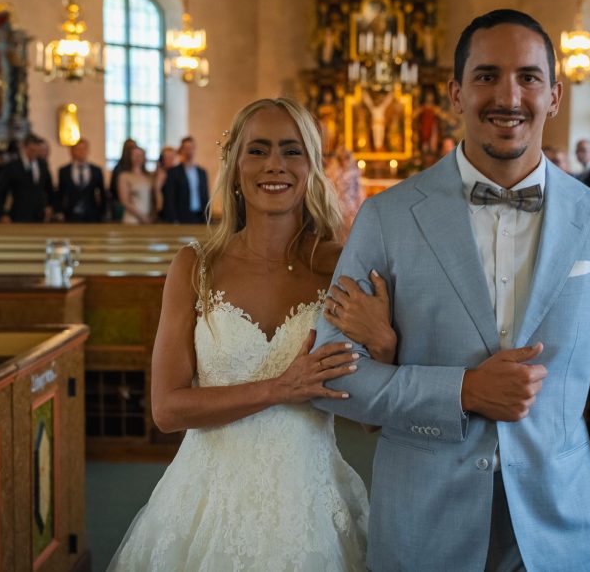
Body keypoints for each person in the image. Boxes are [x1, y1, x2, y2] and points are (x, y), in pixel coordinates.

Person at [314, 9, 590, 572]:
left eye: (528, 77)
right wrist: (463, 391)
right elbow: (330, 375)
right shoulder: (388, 217)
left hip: (559, 527)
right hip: (423, 526)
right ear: (455, 93)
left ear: (553, 96)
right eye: (486, 76)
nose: (508, 96)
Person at [108, 97, 386, 570]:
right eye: (257, 150)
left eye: (291, 150)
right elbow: (167, 409)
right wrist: (280, 387)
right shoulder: (194, 267)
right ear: (235, 164)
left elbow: (373, 422)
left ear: (312, 165)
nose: (274, 164)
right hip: (204, 503)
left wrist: (383, 344)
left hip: (309, 503)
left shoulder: (342, 267)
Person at [0, 134, 55, 222]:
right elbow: (0, 192)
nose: (34, 153)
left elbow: (50, 189)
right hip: (18, 215)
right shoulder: (12, 167)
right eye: (31, 150)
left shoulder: (42, 166)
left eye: (36, 151)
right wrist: (2, 214)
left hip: (39, 216)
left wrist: (50, 206)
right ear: (24, 148)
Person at [162, 136, 210, 223]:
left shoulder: (202, 172)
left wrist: (207, 217)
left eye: (191, 148)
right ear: (182, 150)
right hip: (181, 218)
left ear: (195, 149)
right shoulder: (173, 172)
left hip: (200, 217)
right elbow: (170, 198)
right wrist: (173, 219)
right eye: (186, 148)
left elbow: (206, 196)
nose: (189, 151)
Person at [57, 138, 106, 222]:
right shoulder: (64, 171)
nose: (81, 152)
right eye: (78, 149)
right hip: (71, 213)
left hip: (92, 213)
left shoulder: (96, 170)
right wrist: (59, 211)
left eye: (83, 149)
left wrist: (102, 212)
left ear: (88, 150)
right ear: (72, 151)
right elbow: (60, 193)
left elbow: (102, 192)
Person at [117, 146, 155, 225]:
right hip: (132, 220)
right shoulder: (124, 176)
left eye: (140, 155)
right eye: (135, 155)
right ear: (130, 157)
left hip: (148, 219)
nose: (137, 158)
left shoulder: (149, 176)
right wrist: (142, 217)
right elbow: (125, 201)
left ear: (144, 158)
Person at [110, 139, 137, 220]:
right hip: (122, 205)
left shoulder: (137, 169)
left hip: (137, 204)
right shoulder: (119, 168)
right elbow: (113, 188)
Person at [154, 146, 180, 218]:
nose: (170, 160)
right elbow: (157, 193)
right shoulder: (162, 174)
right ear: (162, 159)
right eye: (167, 158)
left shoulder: (176, 173)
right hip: (166, 211)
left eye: (172, 157)